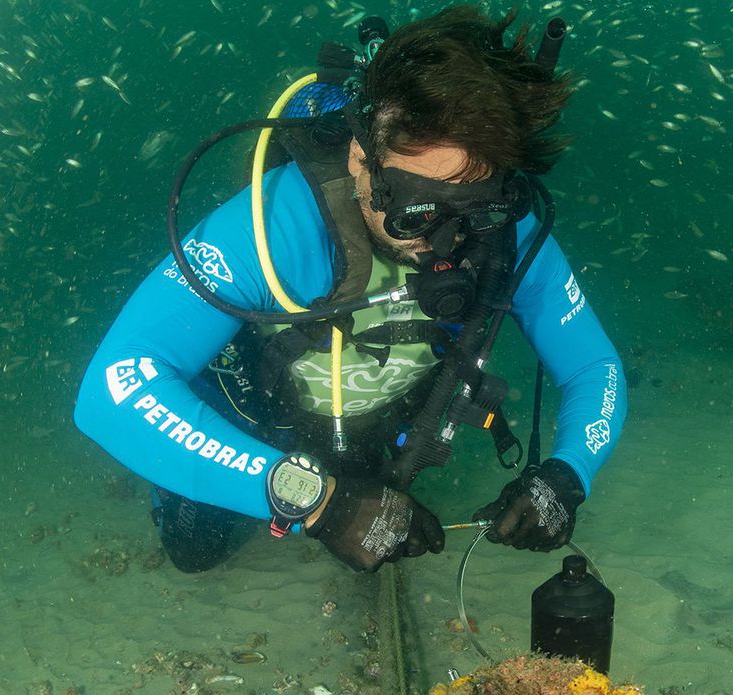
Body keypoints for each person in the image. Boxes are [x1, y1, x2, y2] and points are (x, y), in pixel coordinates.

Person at [73, 6, 627, 574]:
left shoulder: (508, 235)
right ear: (361, 160)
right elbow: (113, 390)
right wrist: (316, 502)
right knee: (195, 551)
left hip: (379, 425)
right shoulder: (275, 226)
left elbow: (591, 366)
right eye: (418, 213)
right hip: (264, 423)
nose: (445, 242)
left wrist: (568, 471)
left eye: (475, 213)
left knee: (378, 487)